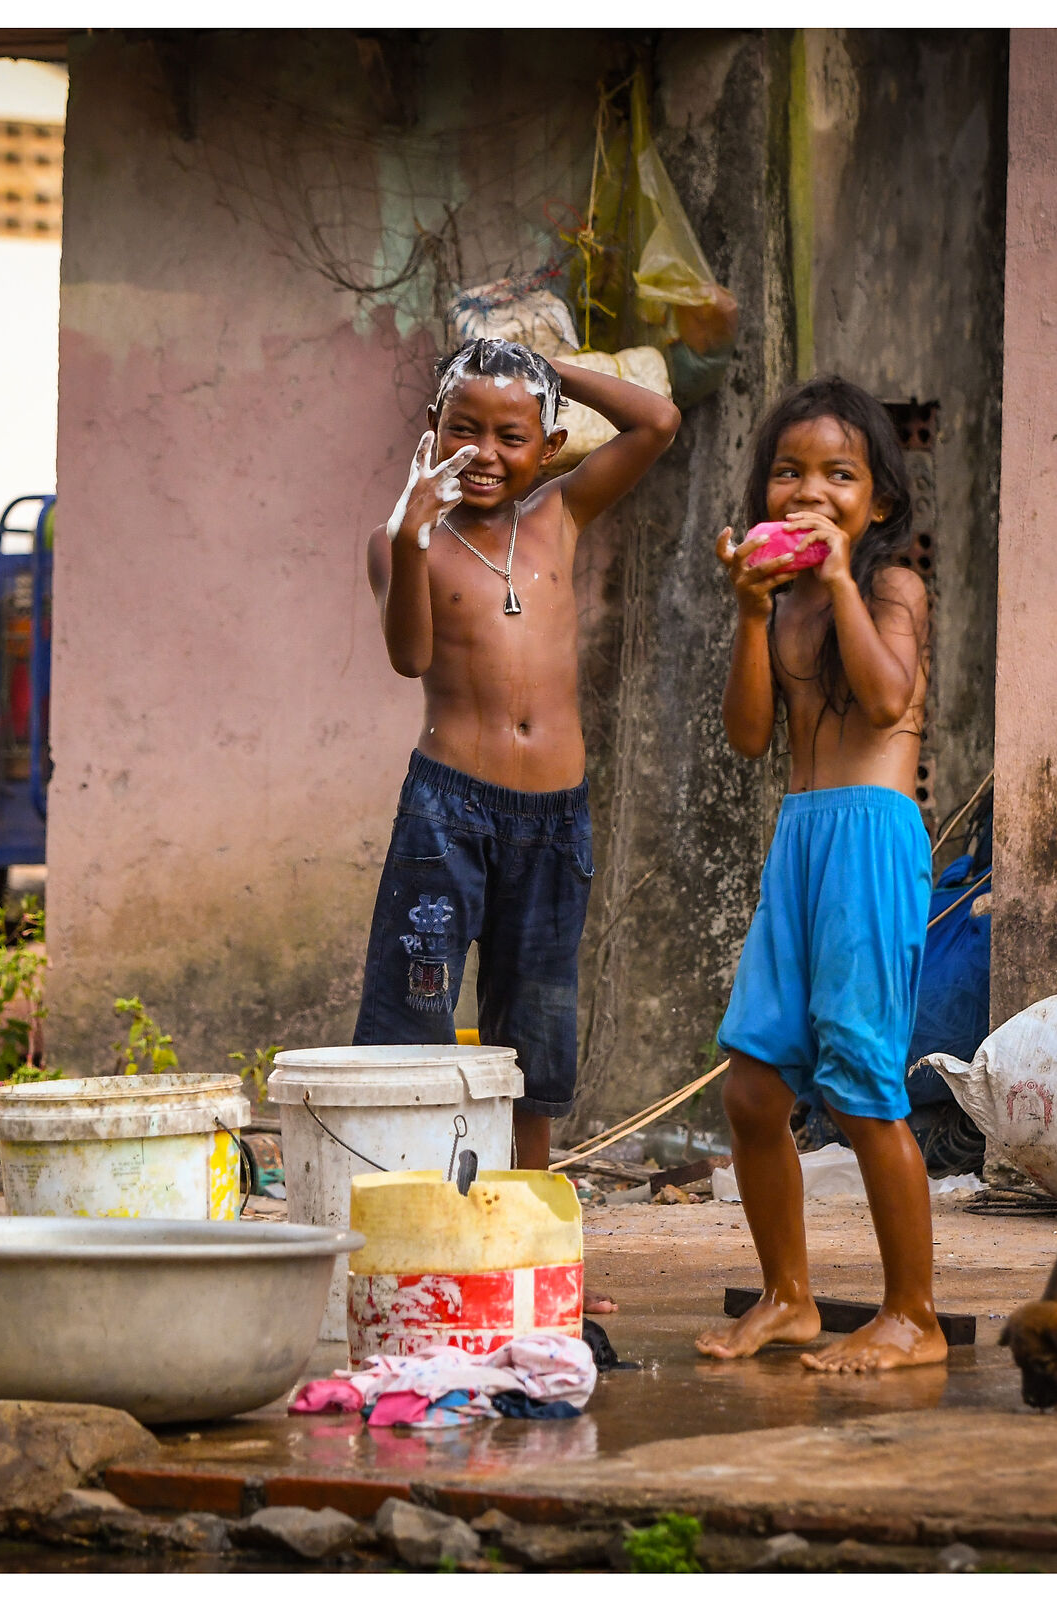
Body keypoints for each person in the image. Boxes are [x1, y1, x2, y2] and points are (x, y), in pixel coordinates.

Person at [355, 337, 679, 1241]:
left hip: (553, 819)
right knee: (413, 1016)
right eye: (464, 429)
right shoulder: (399, 541)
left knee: (536, 1035)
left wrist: (549, 365)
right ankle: (418, 1239)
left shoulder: (560, 513)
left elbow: (658, 420)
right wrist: (412, 536)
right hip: (447, 814)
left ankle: (528, 1249)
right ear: (432, 430)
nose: (486, 453)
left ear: (550, 445)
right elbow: (409, 655)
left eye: (512, 435)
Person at [694, 375, 946, 1373]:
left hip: (871, 841)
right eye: (788, 472)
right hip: (799, 838)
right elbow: (749, 734)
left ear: (876, 502)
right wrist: (748, 610)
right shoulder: (777, 603)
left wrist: (840, 579)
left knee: (862, 1086)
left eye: (839, 474)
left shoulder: (892, 589)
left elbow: (884, 702)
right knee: (754, 1088)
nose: (809, 490)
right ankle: (788, 1296)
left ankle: (914, 1315)